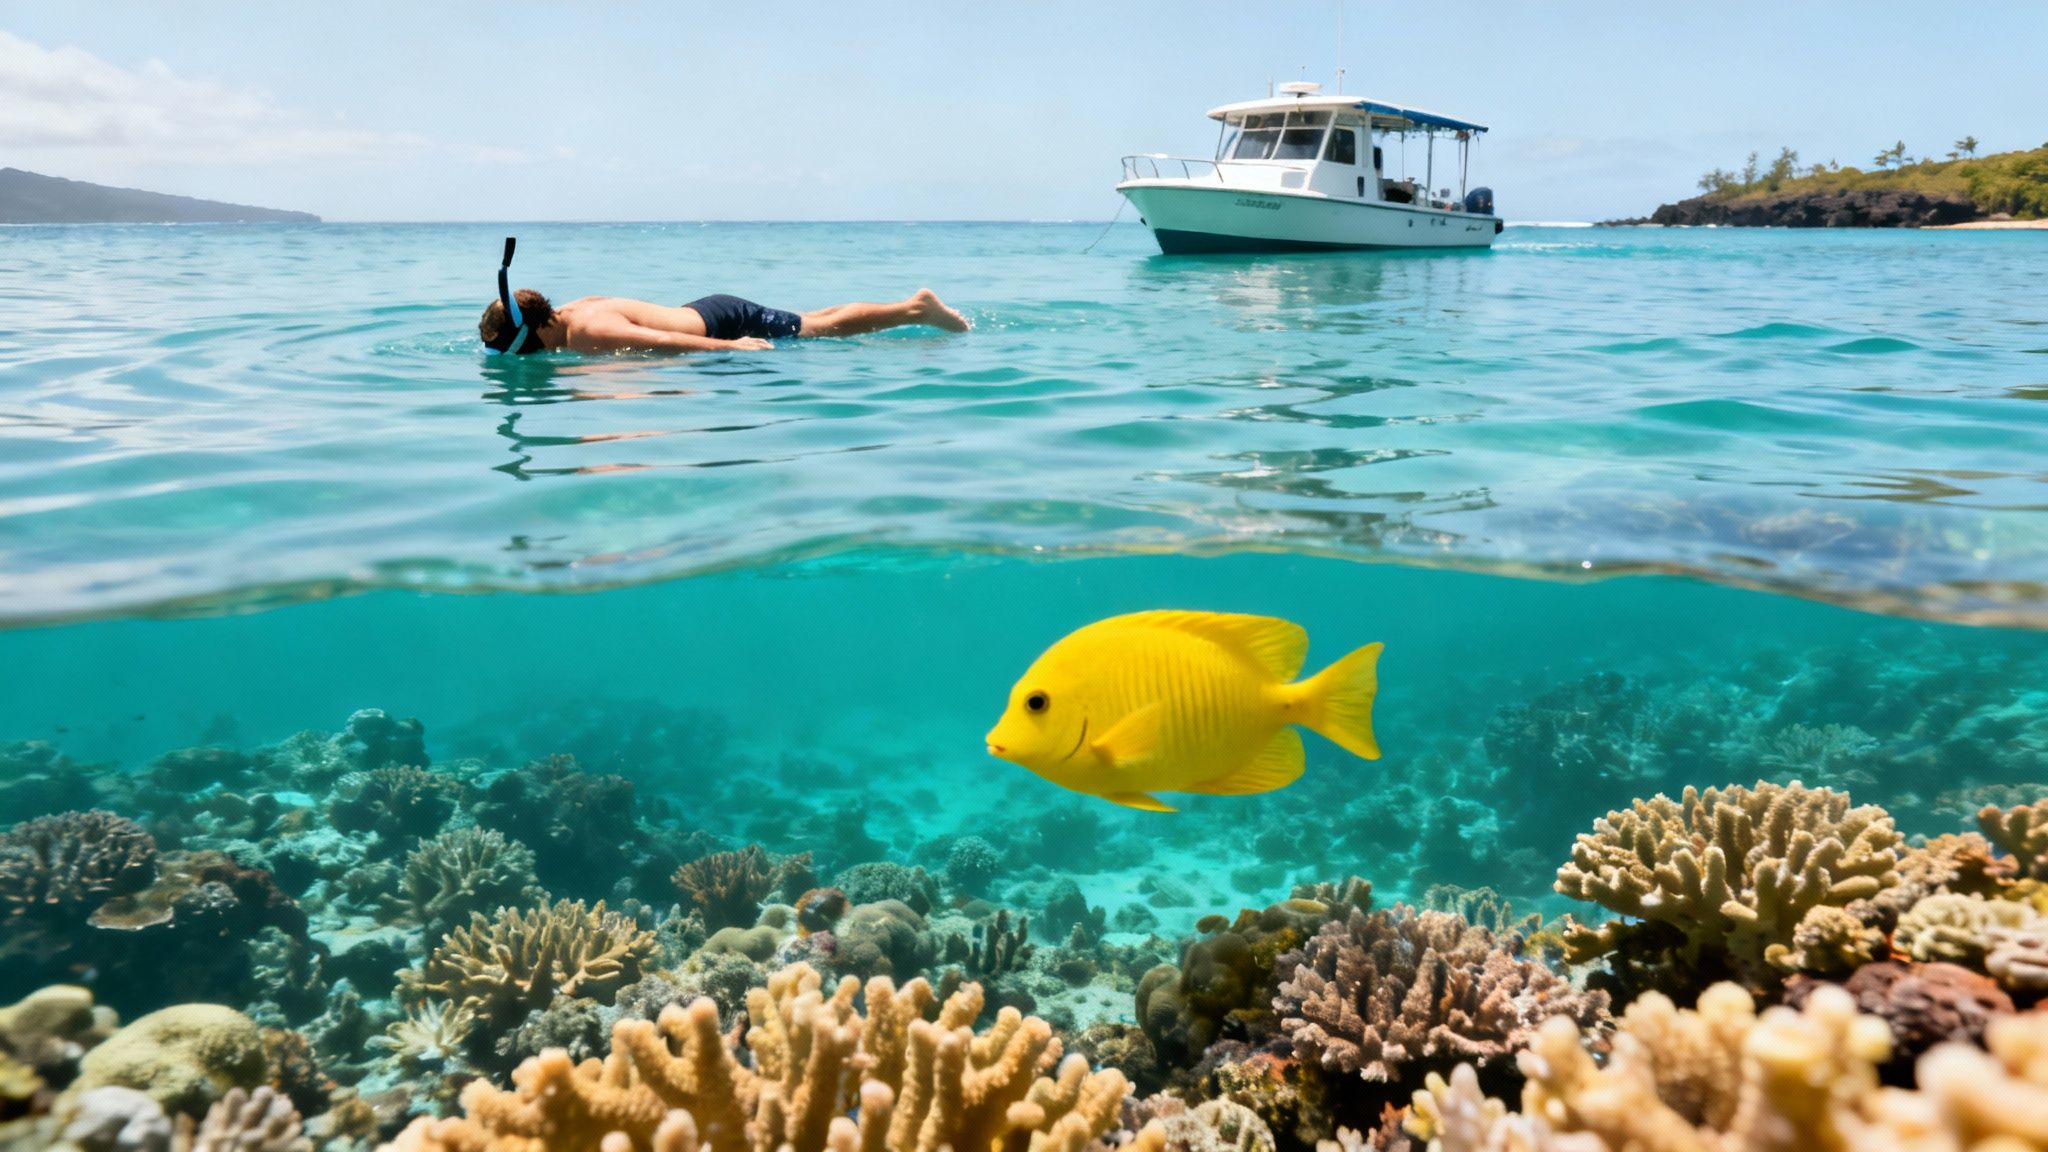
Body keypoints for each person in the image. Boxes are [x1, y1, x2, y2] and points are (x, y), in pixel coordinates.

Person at [479, 288, 970, 355]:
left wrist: (732, 348)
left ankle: (916, 309)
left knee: (821, 329)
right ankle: (911, 308)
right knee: (813, 319)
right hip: (709, 310)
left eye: (511, 348)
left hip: (723, 324)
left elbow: (665, 340)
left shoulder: (588, 332)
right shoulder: (574, 311)